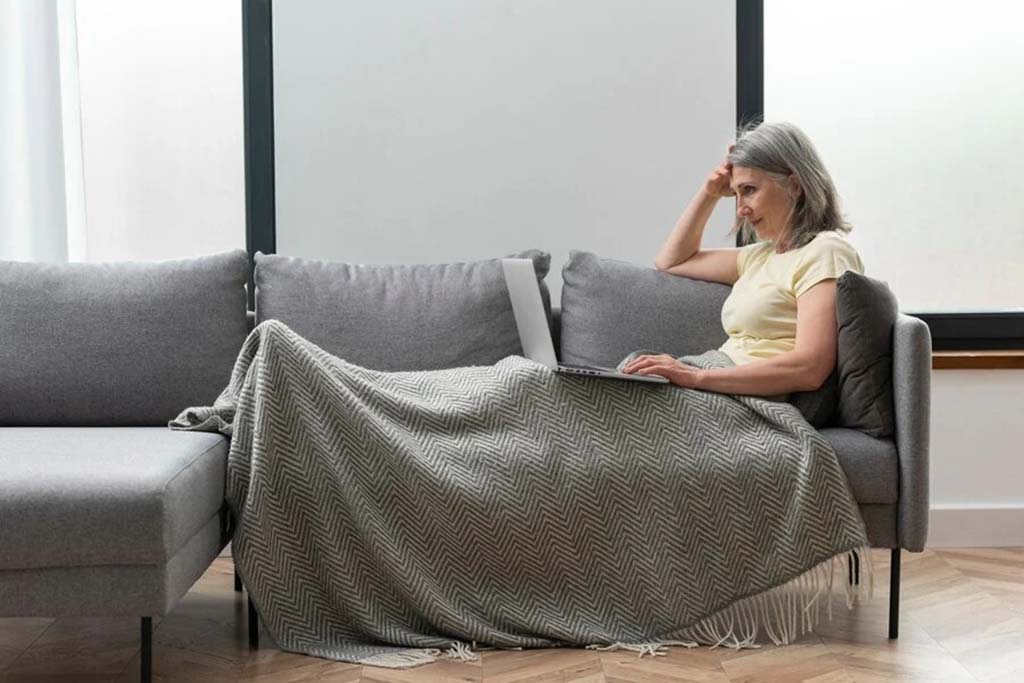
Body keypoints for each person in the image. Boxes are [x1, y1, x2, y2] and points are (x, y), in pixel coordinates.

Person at [621, 121, 864, 397]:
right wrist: (709, 193)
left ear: (795, 185)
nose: (740, 210)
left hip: (751, 398)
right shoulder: (760, 257)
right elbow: (671, 261)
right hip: (718, 383)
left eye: (749, 190)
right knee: (612, 384)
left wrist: (697, 377)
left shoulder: (825, 252)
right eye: (735, 194)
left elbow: (810, 367)